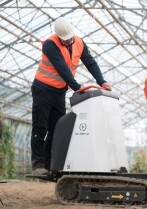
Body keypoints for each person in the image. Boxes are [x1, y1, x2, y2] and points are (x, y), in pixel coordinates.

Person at [31, 17, 111, 175]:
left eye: (70, 38)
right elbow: (62, 68)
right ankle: (38, 164)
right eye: (65, 39)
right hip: (43, 90)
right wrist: (77, 87)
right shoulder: (50, 45)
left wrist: (102, 81)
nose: (68, 42)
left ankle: (49, 165)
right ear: (58, 36)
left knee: (57, 128)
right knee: (40, 127)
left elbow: (90, 62)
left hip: (59, 92)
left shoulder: (79, 43)